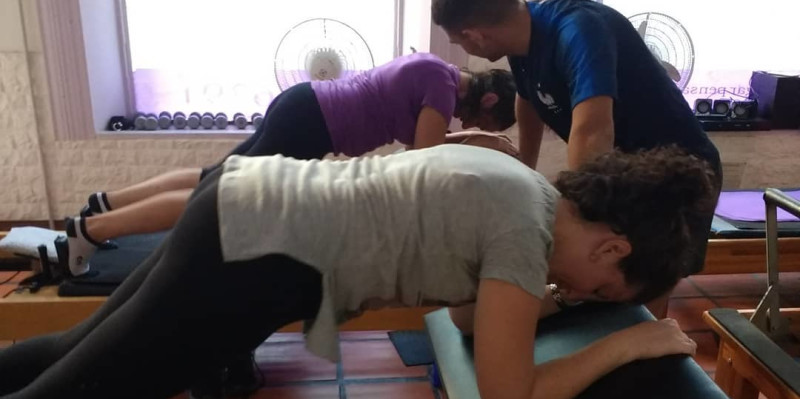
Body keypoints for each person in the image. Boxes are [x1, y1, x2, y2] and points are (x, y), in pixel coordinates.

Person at [1, 142, 714, 399]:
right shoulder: (522, 235)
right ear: (613, 247)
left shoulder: (523, 188)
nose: (583, 298)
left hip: (241, 202)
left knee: (70, 358)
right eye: (601, 290)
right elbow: (511, 398)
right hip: (256, 255)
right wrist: (626, 345)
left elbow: (467, 321)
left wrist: (553, 302)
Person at [61, 52, 517, 277]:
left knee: (215, 177)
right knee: (220, 197)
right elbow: (425, 162)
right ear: (489, 99)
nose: (468, 123)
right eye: (479, 119)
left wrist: (472, 138)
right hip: (311, 122)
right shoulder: (442, 87)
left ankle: (103, 204)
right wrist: (476, 145)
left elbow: (421, 144)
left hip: (304, 106)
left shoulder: (436, 71)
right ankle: (92, 231)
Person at [431, 0, 723, 316]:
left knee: (640, 291)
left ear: (474, 35)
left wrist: (575, 218)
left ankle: (652, 342)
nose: (464, 48)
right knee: (598, 289)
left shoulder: (579, 30)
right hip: (625, 175)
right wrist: (524, 175)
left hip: (679, 175)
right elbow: (527, 103)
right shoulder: (521, 43)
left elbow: (593, 132)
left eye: (458, 42)